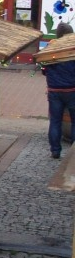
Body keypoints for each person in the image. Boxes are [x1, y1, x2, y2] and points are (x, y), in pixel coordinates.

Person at [45, 22, 75, 159]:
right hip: (72, 90)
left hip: (54, 90)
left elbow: (44, 70)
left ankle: (55, 151)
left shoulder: (50, 48)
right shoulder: (73, 49)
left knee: (55, 121)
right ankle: (73, 152)